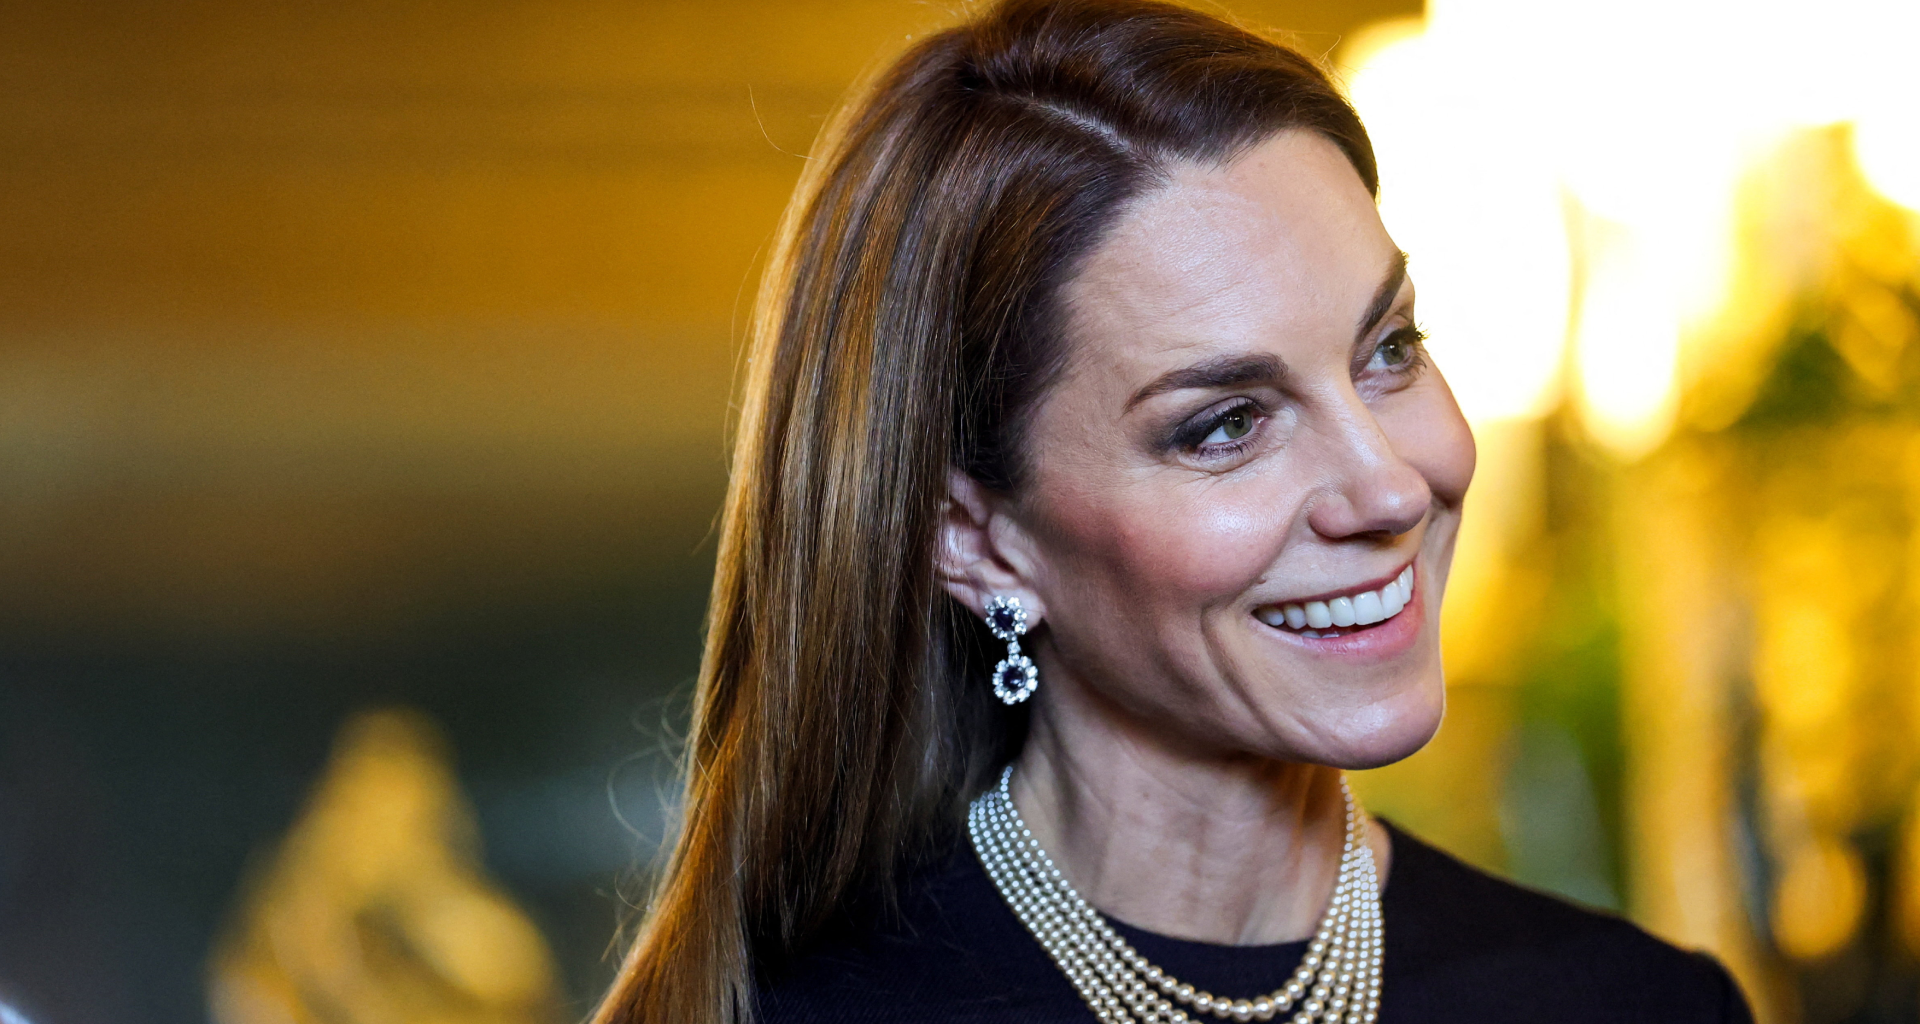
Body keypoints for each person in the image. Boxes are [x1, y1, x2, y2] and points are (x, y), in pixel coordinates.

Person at [591, 0, 1756, 1021]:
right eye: (1227, 424)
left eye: (1389, 349)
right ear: (976, 539)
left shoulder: (1640, 1003)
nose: (1393, 485)